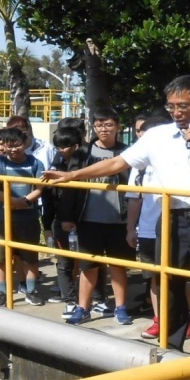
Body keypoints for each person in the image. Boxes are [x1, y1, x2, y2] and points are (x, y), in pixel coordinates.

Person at [46, 75, 190, 352]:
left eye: (183, 105)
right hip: (171, 218)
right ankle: (171, 347)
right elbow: (117, 162)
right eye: (171, 106)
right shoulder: (156, 135)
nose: (176, 112)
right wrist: (72, 174)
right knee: (169, 283)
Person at [57, 108, 134, 325]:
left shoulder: (127, 153)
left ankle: (120, 307)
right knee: (88, 267)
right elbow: (70, 186)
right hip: (88, 220)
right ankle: (83, 308)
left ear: (118, 127)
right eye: (99, 125)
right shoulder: (83, 153)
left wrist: (132, 222)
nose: (103, 129)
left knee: (118, 266)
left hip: (119, 220)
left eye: (108, 125)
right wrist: (66, 216)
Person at [0, 127, 46, 306]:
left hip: (29, 216)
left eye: (16, 144)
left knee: (30, 257)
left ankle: (31, 290)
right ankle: (3, 291)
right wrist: (12, 202)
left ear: (24, 143)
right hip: (3, 216)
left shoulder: (36, 163)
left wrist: (24, 201)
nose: (13, 149)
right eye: (8, 145)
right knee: (1, 257)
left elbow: (40, 188)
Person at [124, 110, 172, 339]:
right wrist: (131, 228)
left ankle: (183, 319)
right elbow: (134, 198)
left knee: (176, 277)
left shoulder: (177, 159)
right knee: (153, 277)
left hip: (174, 227)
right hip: (148, 229)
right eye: (141, 133)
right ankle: (159, 320)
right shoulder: (139, 163)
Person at [43, 125, 87, 313]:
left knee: (89, 262)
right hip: (61, 220)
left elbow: (78, 195)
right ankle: (68, 298)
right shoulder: (57, 165)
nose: (61, 150)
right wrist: (48, 223)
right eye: (58, 146)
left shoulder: (87, 165)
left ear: (76, 145)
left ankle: (96, 298)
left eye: (64, 146)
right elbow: (49, 197)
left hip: (84, 219)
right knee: (64, 263)